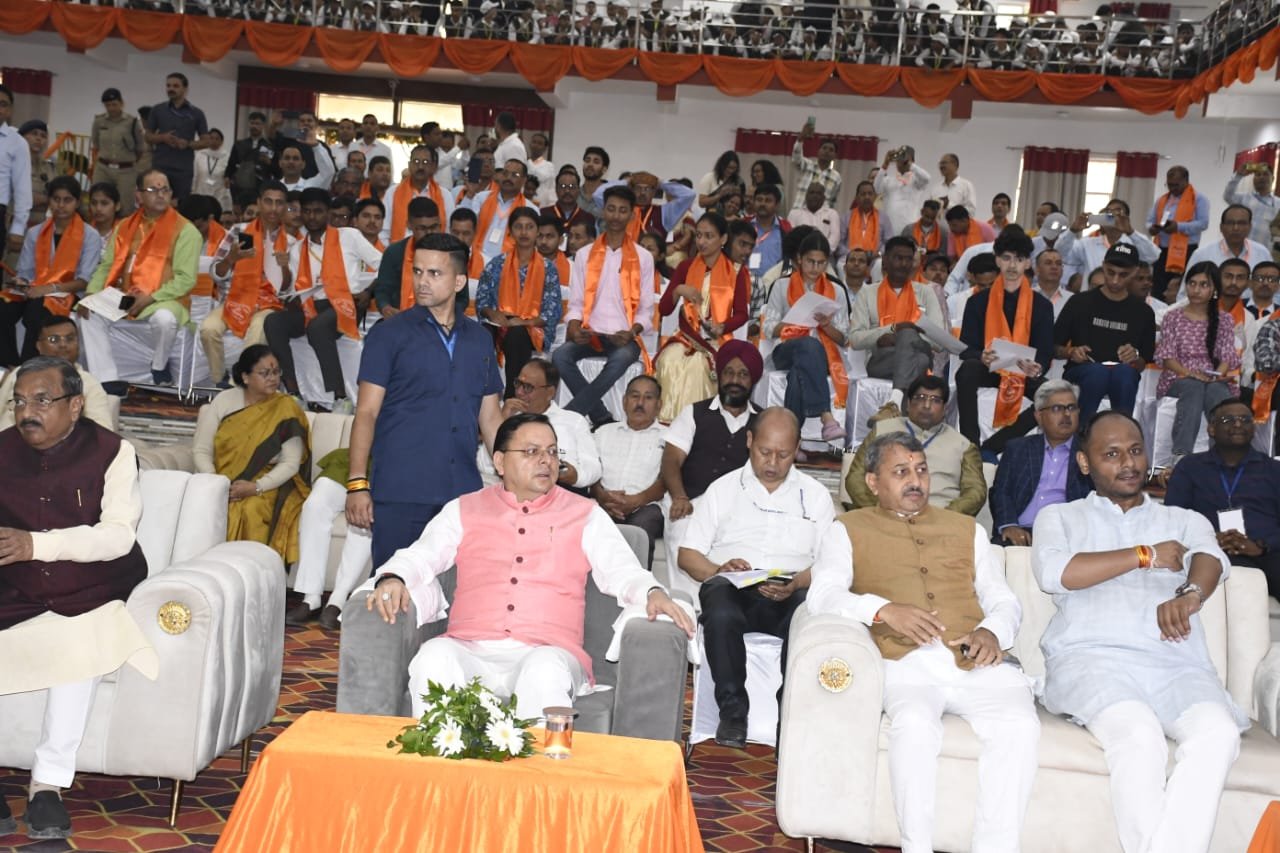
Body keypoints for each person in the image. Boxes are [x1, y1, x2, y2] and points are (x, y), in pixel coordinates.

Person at [367, 412, 695, 720]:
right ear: (499, 461)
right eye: (531, 451)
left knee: (544, 669)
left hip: (548, 649)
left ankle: (534, 764)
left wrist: (652, 592)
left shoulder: (585, 514)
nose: (546, 460)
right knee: (433, 657)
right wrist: (394, 577)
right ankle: (443, 759)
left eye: (552, 452)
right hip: (469, 645)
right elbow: (423, 554)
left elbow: (621, 569)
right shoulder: (464, 509)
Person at [809, 431, 1039, 853]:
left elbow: (1003, 599)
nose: (915, 481)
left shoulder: (967, 529)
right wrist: (883, 610)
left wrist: (993, 631)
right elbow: (822, 595)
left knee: (1020, 726)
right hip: (906, 663)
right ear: (873, 482)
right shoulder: (847, 529)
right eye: (901, 472)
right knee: (914, 725)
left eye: (921, 470)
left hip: (975, 660)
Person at [1032, 411, 1245, 853]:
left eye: (1135, 451)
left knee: (1218, 733)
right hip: (1092, 659)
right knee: (1138, 734)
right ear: (1085, 463)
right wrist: (1145, 554)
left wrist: (1190, 594)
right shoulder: (1061, 517)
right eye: (1111, 454)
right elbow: (1056, 573)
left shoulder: (1183, 518)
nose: (1128, 463)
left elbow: (1209, 558)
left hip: (1176, 664)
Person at [0, 356, 148, 841]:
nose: (27, 413)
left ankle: (47, 785)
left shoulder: (114, 451)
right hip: (16, 583)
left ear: (76, 405)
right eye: (19, 401)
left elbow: (118, 536)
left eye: (42, 400)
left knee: (82, 641)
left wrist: (37, 545)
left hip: (92, 581)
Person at [677, 407, 834, 748]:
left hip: (792, 590)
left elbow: (831, 564)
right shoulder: (722, 489)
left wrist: (797, 582)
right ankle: (733, 712)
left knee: (811, 612)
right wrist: (718, 570)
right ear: (749, 441)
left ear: (797, 449)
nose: (773, 462)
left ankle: (788, 718)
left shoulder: (816, 496)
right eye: (765, 451)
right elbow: (687, 555)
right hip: (735, 587)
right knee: (719, 604)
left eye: (784, 454)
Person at [347, 233, 505, 569]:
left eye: (434, 273)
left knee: (457, 593)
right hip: (401, 491)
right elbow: (366, 413)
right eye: (418, 271)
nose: (422, 281)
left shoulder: (480, 339)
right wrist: (357, 484)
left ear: (459, 281)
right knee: (393, 588)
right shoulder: (388, 334)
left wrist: (511, 478)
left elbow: (491, 418)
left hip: (461, 494)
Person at [78, 170, 199, 392]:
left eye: (165, 190)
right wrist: (91, 293)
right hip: (126, 296)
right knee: (88, 312)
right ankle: (107, 380)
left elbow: (186, 279)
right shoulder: (125, 226)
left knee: (164, 319)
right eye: (153, 190)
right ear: (139, 195)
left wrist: (151, 298)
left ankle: (159, 365)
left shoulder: (186, 230)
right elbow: (107, 266)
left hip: (165, 300)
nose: (160, 195)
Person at [661, 341, 763, 599]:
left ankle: (720, 608)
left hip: (738, 508)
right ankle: (686, 609)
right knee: (683, 535)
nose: (735, 380)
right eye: (729, 372)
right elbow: (671, 460)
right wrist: (679, 496)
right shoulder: (694, 413)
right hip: (691, 503)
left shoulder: (763, 421)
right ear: (718, 375)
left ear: (753, 380)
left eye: (743, 374)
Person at [263, 187, 383, 408]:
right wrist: (291, 296)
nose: (312, 217)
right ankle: (293, 392)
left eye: (318, 211)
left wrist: (368, 292)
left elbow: (384, 265)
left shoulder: (349, 236)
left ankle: (340, 398)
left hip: (348, 304)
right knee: (273, 322)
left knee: (317, 327)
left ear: (328, 213)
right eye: (307, 211)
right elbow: (295, 289)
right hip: (312, 306)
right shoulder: (298, 249)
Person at [193, 344, 310, 561]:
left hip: (265, 484)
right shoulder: (224, 401)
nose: (273, 378)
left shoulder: (286, 408)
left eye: (276, 372)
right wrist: (217, 483)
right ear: (245, 377)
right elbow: (201, 450)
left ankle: (249, 570)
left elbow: (291, 463)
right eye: (265, 373)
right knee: (204, 506)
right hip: (218, 480)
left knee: (250, 509)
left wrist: (256, 487)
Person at [554, 185, 656, 428]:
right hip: (591, 334)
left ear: (632, 215)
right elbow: (576, 303)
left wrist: (631, 332)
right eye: (611, 209)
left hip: (624, 337)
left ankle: (570, 415)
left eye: (622, 210)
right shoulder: (584, 255)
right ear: (602, 212)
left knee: (621, 360)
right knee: (560, 356)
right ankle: (601, 416)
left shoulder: (643, 257)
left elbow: (646, 310)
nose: (616, 216)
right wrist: (575, 327)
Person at [1165, 397, 1280, 601]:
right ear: (1211, 429)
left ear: (1254, 428)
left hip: (1267, 552)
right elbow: (1173, 517)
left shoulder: (1273, 470)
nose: (1238, 424)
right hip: (1209, 551)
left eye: (1245, 420)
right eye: (1228, 420)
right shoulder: (1190, 467)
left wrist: (1261, 546)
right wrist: (1208, 538)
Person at [955, 225, 1054, 455]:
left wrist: (1037, 367)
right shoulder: (977, 302)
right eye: (1007, 258)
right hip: (988, 368)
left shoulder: (1042, 306)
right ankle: (970, 444)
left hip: (1023, 371)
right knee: (967, 370)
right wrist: (981, 356)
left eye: (1019, 259)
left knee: (1051, 396)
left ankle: (991, 448)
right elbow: (966, 347)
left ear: (1027, 263)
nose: (1012, 265)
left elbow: (1045, 352)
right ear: (997, 260)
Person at [654, 211, 750, 422]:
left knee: (698, 366)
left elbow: (742, 314)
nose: (701, 242)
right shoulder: (685, 267)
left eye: (709, 236)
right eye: (698, 235)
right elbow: (664, 309)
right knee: (669, 360)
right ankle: (667, 422)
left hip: (718, 338)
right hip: (686, 337)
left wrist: (723, 326)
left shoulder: (736, 271)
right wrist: (678, 290)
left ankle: (696, 425)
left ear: (723, 239)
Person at [846, 375, 987, 516]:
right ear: (908, 404)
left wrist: (945, 517)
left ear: (945, 408)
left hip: (939, 518)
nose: (926, 405)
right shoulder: (881, 430)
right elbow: (856, 477)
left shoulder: (963, 445)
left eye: (935, 400)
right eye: (920, 398)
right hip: (883, 517)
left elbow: (975, 491)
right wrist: (880, 511)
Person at [200, 181, 292, 387]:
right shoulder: (239, 231)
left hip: (269, 305)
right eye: (268, 201)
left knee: (258, 331)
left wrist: (285, 268)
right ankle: (219, 380)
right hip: (235, 299)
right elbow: (216, 273)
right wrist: (230, 259)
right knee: (208, 329)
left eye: (279, 203)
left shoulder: (292, 239)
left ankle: (238, 384)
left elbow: (288, 290)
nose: (273, 208)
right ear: (259, 203)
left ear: (285, 207)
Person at [2, 177, 103, 365]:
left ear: (77, 203)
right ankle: (9, 364)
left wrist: (49, 289)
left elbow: (84, 281)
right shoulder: (35, 232)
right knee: (3, 304)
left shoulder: (90, 235)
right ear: (49, 200)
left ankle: (30, 367)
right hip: (35, 288)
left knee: (36, 312)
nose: (61, 205)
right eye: (56, 199)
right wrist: (21, 283)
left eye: (67, 200)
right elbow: (25, 273)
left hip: (68, 292)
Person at [761, 231, 849, 440]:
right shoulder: (781, 286)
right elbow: (768, 328)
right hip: (786, 349)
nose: (815, 268)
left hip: (824, 355)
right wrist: (794, 320)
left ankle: (792, 439)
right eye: (810, 261)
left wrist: (826, 326)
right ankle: (826, 416)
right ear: (800, 259)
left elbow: (844, 338)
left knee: (797, 374)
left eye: (821, 263)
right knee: (808, 345)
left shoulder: (836, 290)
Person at [1054, 242, 1156, 420]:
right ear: (1103, 266)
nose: (1115, 280)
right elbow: (1053, 346)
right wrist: (1071, 352)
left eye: (1123, 275)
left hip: (1122, 374)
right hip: (1082, 371)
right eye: (1110, 272)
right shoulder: (1079, 302)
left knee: (1125, 373)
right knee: (1097, 373)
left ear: (1134, 272)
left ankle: (1121, 428)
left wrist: (1134, 356)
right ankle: (1083, 430)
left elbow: (1143, 361)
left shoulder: (1143, 312)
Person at [1155, 261, 1240, 464]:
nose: (1196, 290)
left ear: (1214, 290)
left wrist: (1217, 376)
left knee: (1218, 392)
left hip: (1211, 378)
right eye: (1192, 283)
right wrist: (1191, 374)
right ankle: (1181, 455)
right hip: (1178, 377)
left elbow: (1227, 357)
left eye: (1203, 285)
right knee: (1193, 387)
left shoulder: (1224, 319)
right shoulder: (1172, 317)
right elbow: (1167, 358)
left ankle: (1224, 455)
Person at [988, 379, 1092, 546]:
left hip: (1068, 534)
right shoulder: (1017, 448)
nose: (1066, 414)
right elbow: (1001, 492)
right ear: (1039, 416)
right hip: (1022, 531)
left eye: (1071, 408)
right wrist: (1009, 525)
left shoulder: (1090, 451)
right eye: (1057, 408)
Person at [475, 206, 562, 396]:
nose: (524, 232)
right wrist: (493, 313)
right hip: (499, 323)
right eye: (518, 227)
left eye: (529, 227)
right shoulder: (496, 264)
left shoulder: (548, 268)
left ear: (537, 232)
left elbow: (551, 312)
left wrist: (522, 322)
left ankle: (512, 396)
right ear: (511, 231)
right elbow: (482, 301)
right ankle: (482, 394)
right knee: (481, 335)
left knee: (516, 334)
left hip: (532, 328)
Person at [850, 236, 944, 404]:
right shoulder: (867, 293)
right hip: (881, 360)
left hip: (919, 354)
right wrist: (890, 330)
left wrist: (903, 337)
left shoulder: (926, 292)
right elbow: (855, 339)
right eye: (898, 258)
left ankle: (895, 401)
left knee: (909, 336)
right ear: (885, 261)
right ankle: (900, 404)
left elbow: (939, 339)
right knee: (919, 360)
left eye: (908, 259)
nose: (904, 264)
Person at [592, 374, 667, 569]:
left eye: (648, 397)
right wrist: (601, 496)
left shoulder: (670, 437)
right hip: (604, 502)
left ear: (659, 405)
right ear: (624, 401)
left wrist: (636, 500)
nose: (640, 403)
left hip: (646, 506)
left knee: (641, 528)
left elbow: (667, 479)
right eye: (635, 396)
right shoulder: (603, 433)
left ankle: (637, 586)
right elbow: (591, 471)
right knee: (585, 520)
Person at [0, 316, 113, 430]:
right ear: (39, 346)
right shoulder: (19, 374)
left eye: (69, 339)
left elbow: (102, 431)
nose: (63, 345)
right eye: (54, 340)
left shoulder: (88, 383)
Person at [1146, 165, 1210, 302]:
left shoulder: (1199, 199)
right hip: (1161, 250)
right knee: (1158, 289)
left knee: (1179, 288)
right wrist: (1152, 228)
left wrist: (1178, 227)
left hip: (1185, 251)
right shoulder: (1162, 200)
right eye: (1169, 185)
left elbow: (1203, 223)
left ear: (1186, 181)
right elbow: (1149, 220)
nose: (1172, 188)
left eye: (1176, 185)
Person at [143, 72, 211, 200]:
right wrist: (163, 138)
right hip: (160, 166)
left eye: (175, 86)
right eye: (168, 86)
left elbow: (206, 142)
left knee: (181, 204)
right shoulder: (158, 110)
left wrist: (188, 144)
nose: (171, 89)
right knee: (157, 201)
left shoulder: (196, 113)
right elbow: (147, 137)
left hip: (183, 169)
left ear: (185, 89)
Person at [466, 158, 532, 279]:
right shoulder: (481, 198)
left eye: (515, 175)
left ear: (524, 180)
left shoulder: (530, 208)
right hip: (476, 261)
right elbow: (467, 227)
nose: (508, 178)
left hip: (509, 267)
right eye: (505, 173)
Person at [379, 144, 454, 246]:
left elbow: (449, 231)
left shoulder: (445, 195)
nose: (420, 167)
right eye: (416, 162)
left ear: (433, 167)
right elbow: (384, 231)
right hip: (400, 251)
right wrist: (392, 252)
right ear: (409, 165)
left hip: (434, 251)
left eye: (425, 162)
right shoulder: (392, 193)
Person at [89, 88, 146, 217]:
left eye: (114, 104)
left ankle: (122, 230)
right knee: (98, 204)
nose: (111, 108)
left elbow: (140, 148)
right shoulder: (99, 121)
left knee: (125, 208)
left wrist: (127, 161)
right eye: (108, 105)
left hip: (126, 171)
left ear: (121, 103)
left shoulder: (132, 122)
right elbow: (96, 144)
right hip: (103, 168)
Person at [1183, 204, 1271, 286]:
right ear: (1221, 227)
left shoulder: (1262, 253)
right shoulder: (1202, 255)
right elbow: (1184, 292)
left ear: (1250, 227)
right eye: (1230, 223)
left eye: (1241, 223)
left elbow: (1274, 289)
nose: (1236, 228)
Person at [0, 84, 34, 259]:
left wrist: (18, 227)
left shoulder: (17, 142)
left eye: (3, 104)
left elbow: (22, 187)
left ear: (10, 110)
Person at [874, 145, 930, 234]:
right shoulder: (889, 180)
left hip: (910, 229)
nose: (901, 160)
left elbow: (927, 178)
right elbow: (876, 188)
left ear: (912, 161)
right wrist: (885, 164)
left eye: (904, 157)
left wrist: (910, 165)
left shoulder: (916, 181)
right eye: (899, 157)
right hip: (890, 229)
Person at [1223, 163, 1279, 248]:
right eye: (1258, 174)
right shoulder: (1244, 198)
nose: (1261, 177)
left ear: (1273, 178)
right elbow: (1228, 196)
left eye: (1265, 174)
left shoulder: (1277, 204)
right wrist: (1239, 175)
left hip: (1263, 251)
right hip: (1240, 249)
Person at [225, 110, 275, 202]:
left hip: (261, 186)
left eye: (257, 123)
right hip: (240, 185)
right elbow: (231, 163)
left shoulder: (269, 145)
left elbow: (275, 169)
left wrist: (269, 163)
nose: (254, 126)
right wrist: (227, 176)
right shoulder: (239, 144)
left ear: (263, 126)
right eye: (252, 123)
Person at [791, 125, 841, 209]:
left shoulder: (836, 177)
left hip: (821, 215)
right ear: (818, 151)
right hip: (799, 211)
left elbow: (832, 202)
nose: (827, 151)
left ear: (835, 156)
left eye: (831, 150)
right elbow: (796, 157)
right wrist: (801, 138)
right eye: (824, 148)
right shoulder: (807, 165)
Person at [841, 180, 894, 258]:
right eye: (863, 194)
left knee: (879, 263)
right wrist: (850, 253)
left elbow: (889, 242)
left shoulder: (884, 218)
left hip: (875, 258)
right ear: (857, 198)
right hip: (850, 257)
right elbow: (839, 243)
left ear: (875, 196)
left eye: (870, 194)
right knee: (841, 263)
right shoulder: (846, 217)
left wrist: (879, 253)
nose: (867, 197)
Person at [786, 181, 840, 252]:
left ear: (824, 198)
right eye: (812, 192)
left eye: (818, 193)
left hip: (825, 255)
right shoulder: (794, 213)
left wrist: (821, 252)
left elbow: (835, 238)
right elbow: (791, 238)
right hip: (799, 254)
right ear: (806, 196)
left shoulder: (832, 214)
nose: (815, 196)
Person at [541, 167, 593, 236]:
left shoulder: (588, 218)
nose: (567, 191)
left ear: (578, 190)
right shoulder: (543, 214)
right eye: (563, 186)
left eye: (571, 187)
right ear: (556, 189)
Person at [192, 129, 232, 213]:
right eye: (211, 138)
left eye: (217, 139)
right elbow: (195, 175)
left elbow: (229, 175)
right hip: (201, 190)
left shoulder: (227, 156)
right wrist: (193, 191)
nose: (214, 141)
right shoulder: (200, 154)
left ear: (221, 142)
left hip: (219, 192)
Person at [932, 152, 978, 217]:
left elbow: (971, 212)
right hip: (938, 224)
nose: (941, 166)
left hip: (959, 224)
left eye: (944, 163)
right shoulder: (935, 188)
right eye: (940, 164)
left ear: (955, 165)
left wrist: (948, 205)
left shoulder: (966, 186)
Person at [1031, 246, 1071, 318]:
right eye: (1048, 263)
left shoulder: (1072, 299)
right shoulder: (1027, 296)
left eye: (1058, 263)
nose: (1054, 267)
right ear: (1037, 269)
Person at [525, 132, 555, 207]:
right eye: (534, 142)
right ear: (530, 144)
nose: (536, 145)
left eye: (539, 143)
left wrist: (551, 204)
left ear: (545, 148)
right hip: (523, 202)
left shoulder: (549, 166)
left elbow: (551, 188)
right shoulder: (523, 164)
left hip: (542, 204)